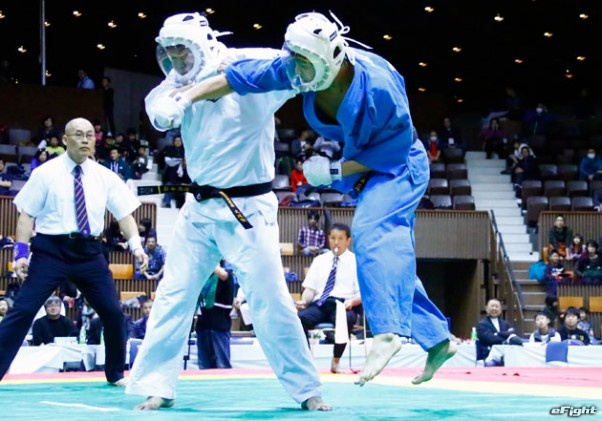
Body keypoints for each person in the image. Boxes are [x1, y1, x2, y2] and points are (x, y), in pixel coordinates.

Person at [154, 11, 456, 386]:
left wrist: (335, 171)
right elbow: (237, 78)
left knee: (372, 232)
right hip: (363, 165)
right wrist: (184, 98)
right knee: (388, 265)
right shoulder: (299, 67)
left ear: (331, 57)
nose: (296, 69)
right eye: (294, 59)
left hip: (399, 165)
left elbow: (392, 153)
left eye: (303, 62)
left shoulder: (379, 85)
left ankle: (387, 332)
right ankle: (437, 339)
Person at [125, 13, 329, 411]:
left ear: (202, 46)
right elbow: (159, 108)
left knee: (270, 299)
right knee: (173, 295)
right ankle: (157, 385)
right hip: (199, 209)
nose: (175, 61)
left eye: (182, 52)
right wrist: (172, 104)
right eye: (169, 54)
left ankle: (307, 390)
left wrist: (310, 47)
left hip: (248, 210)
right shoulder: (174, 85)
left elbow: (294, 67)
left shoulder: (248, 70)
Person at [0, 117, 148, 386]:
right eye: (78, 135)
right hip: (50, 252)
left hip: (90, 253)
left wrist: (137, 246)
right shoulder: (45, 173)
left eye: (89, 135)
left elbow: (124, 215)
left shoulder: (105, 176)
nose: (85, 140)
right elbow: (26, 215)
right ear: (66, 140)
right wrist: (20, 253)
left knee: (113, 313)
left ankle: (116, 374)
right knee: (23, 310)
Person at [295, 223, 362, 374]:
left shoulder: (356, 261)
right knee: (299, 319)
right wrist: (303, 302)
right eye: (333, 238)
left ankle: (336, 361)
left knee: (345, 319)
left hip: (344, 303)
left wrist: (352, 302)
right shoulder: (319, 260)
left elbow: (362, 293)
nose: (336, 242)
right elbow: (310, 289)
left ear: (348, 240)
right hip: (320, 303)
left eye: (340, 238)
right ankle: (306, 361)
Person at [195, 261, 235, 369]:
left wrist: (207, 261)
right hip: (203, 326)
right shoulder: (204, 279)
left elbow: (223, 275)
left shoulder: (227, 275)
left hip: (219, 327)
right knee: (204, 366)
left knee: (222, 365)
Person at [476, 298, 523, 366]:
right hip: (489, 356)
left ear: (500, 309)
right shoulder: (482, 324)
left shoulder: (505, 323)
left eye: (497, 306)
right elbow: (490, 339)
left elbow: (513, 333)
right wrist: (506, 339)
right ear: (486, 308)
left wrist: (498, 334)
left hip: (506, 355)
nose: (494, 308)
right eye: (492, 306)